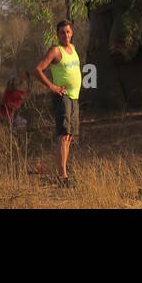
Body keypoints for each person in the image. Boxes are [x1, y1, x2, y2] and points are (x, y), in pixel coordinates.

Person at [35, 19, 81, 185]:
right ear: (58, 35)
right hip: (63, 97)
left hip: (74, 97)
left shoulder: (73, 49)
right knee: (63, 136)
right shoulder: (55, 50)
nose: (66, 35)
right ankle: (63, 176)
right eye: (62, 32)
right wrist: (52, 86)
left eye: (68, 32)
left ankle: (64, 173)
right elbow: (38, 69)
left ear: (72, 33)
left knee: (68, 137)